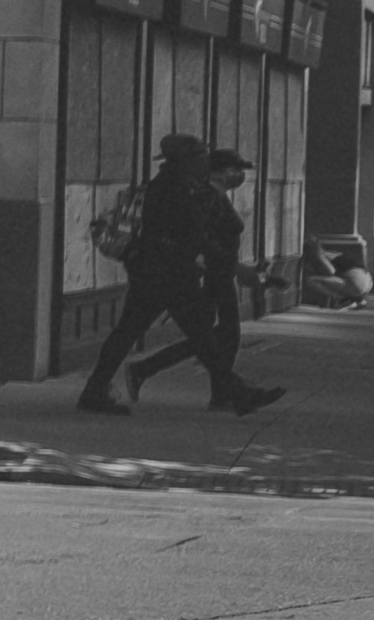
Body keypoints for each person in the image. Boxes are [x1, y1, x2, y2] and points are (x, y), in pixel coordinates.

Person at [83, 135, 282, 415]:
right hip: (166, 275)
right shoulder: (171, 189)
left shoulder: (184, 187)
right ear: (186, 161)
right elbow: (184, 233)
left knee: (135, 334)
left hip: (163, 275)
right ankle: (235, 392)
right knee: (200, 337)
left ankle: (96, 389)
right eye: (201, 157)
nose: (205, 161)